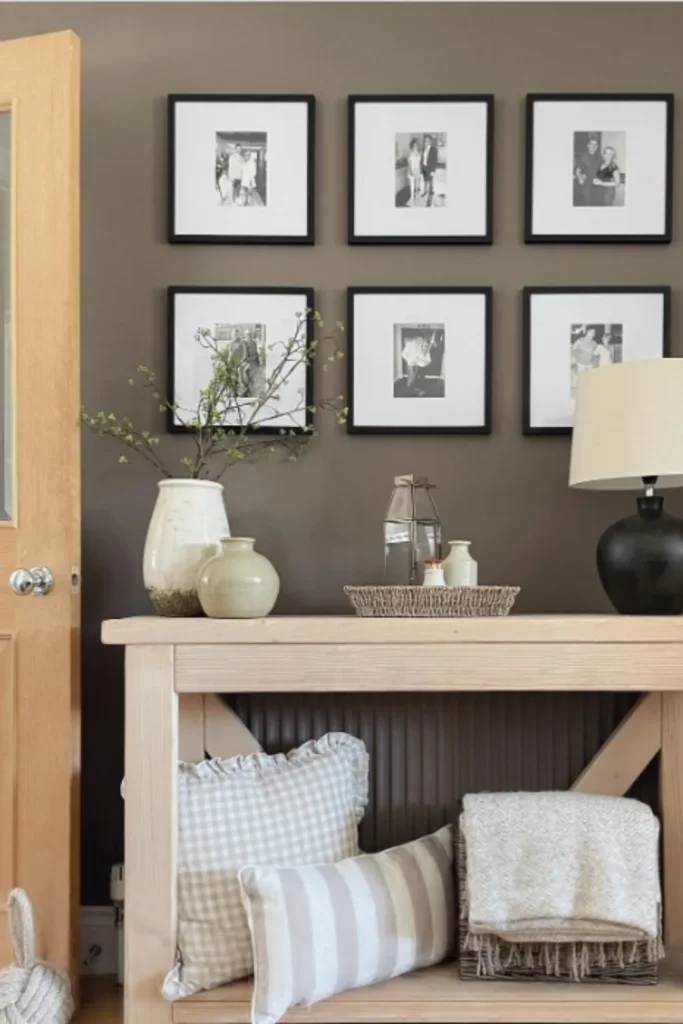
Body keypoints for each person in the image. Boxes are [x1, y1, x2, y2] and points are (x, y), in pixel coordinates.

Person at [401, 329, 437, 395]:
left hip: (417, 361)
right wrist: (409, 362)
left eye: (427, 348)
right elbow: (403, 354)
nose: (425, 349)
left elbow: (428, 361)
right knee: (411, 375)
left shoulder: (426, 352)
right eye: (424, 347)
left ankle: (413, 388)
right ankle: (408, 390)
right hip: (409, 358)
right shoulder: (413, 343)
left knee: (414, 375)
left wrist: (422, 361)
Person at [571, 326, 599, 394]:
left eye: (594, 333)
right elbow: (573, 351)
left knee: (589, 384)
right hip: (580, 365)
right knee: (579, 385)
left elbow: (594, 354)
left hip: (589, 365)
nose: (594, 334)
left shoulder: (594, 343)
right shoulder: (580, 341)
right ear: (588, 332)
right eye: (592, 332)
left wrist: (595, 363)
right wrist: (574, 362)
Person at [574, 136, 601, 206]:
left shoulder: (599, 156)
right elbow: (577, 170)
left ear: (597, 146)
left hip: (598, 186)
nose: (593, 146)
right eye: (591, 144)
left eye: (595, 145)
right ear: (588, 145)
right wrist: (580, 178)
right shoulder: (583, 156)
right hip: (587, 187)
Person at [420, 135, 438, 205]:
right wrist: (421, 166)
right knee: (425, 181)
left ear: (430, 141)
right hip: (424, 168)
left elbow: (435, 161)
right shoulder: (423, 149)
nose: (426, 142)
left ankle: (429, 199)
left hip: (430, 169)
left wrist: (433, 171)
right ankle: (425, 191)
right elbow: (422, 159)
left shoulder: (434, 149)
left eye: (427, 140)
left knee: (430, 183)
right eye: (425, 140)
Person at [407, 137, 422, 205]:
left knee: (417, 185)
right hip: (412, 170)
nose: (416, 145)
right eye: (415, 144)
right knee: (412, 185)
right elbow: (409, 163)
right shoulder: (411, 152)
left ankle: (416, 195)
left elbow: (420, 163)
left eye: (417, 144)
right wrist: (410, 171)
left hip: (418, 170)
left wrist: (421, 170)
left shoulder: (419, 152)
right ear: (413, 145)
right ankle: (412, 198)